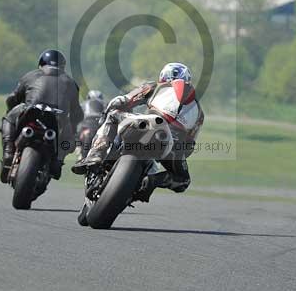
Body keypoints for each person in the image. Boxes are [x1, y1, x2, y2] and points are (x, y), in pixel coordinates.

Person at [71, 62, 204, 200]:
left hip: (146, 123)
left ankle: (95, 155)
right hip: (170, 144)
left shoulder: (155, 86)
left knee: (113, 116)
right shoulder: (199, 112)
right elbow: (189, 147)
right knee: (183, 180)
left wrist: (105, 113)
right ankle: (153, 180)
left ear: (163, 76)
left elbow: (123, 100)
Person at [0, 49, 83, 183]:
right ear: (62, 66)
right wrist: (73, 128)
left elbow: (13, 98)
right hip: (57, 118)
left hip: (30, 111)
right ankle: (58, 161)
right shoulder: (71, 82)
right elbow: (77, 112)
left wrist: (11, 109)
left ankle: (9, 151)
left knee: (8, 119)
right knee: (70, 137)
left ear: (41, 63)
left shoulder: (31, 75)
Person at [76, 90, 105, 160]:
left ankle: (78, 149)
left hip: (85, 125)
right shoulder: (104, 103)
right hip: (99, 125)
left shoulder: (83, 104)